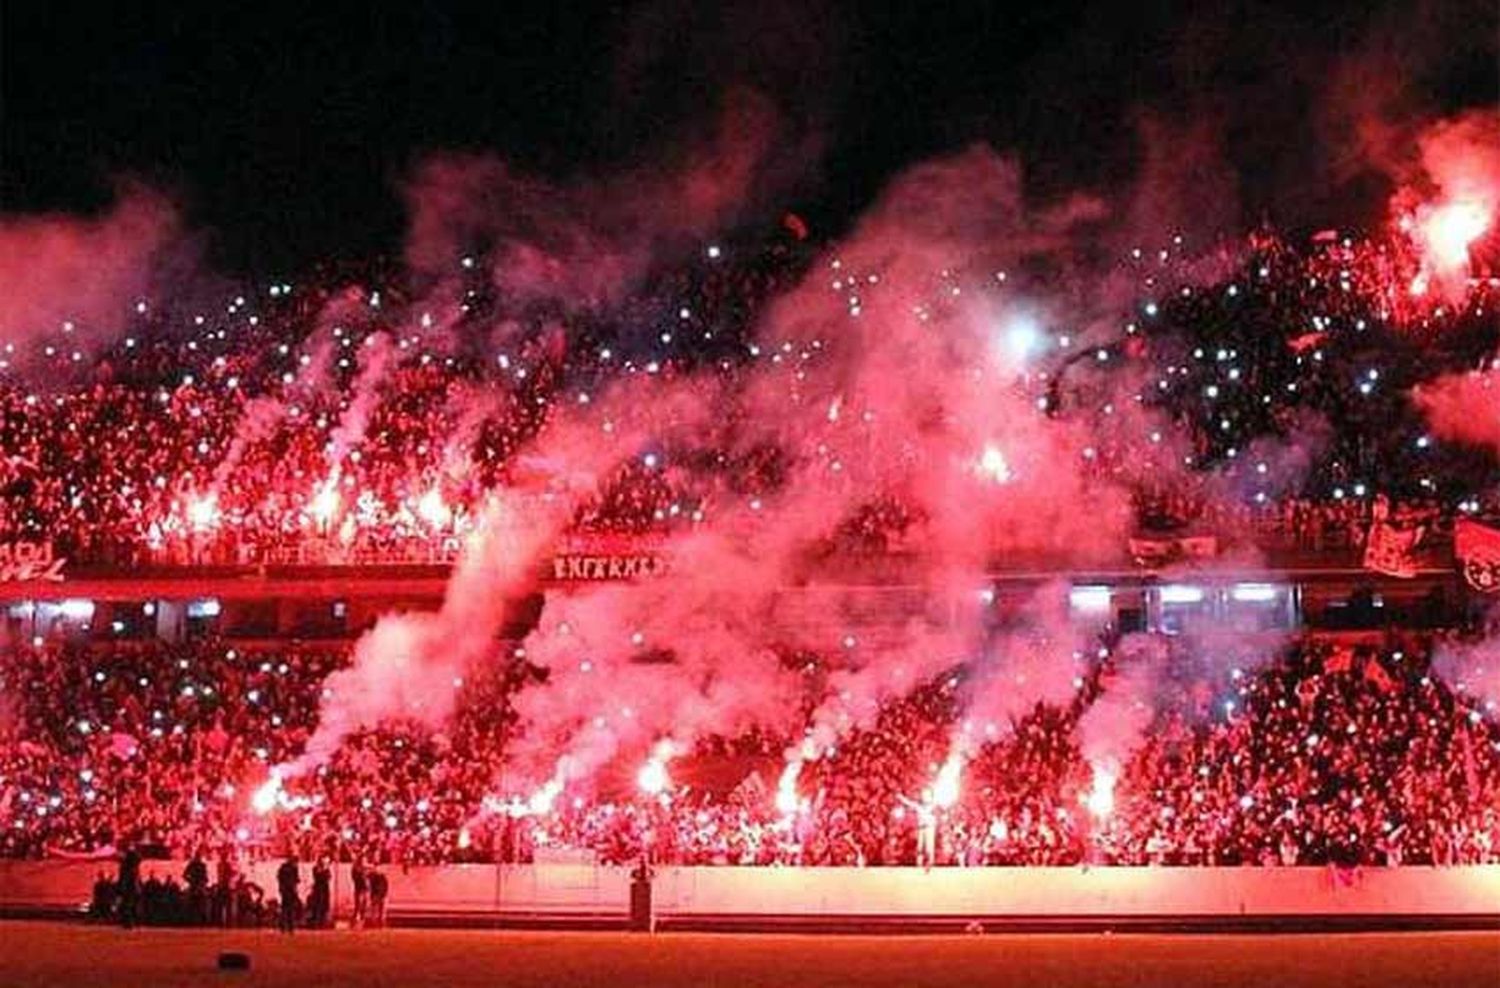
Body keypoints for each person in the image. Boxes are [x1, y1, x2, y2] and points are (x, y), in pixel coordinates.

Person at [116, 845, 141, 929]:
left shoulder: (127, 867)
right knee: (129, 905)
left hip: (128, 888)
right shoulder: (132, 867)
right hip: (130, 887)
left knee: (127, 905)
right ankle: (129, 923)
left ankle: (128, 923)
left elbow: (124, 878)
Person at [276, 854, 300, 934]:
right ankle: (289, 927)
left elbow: (279, 877)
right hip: (289, 891)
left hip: (285, 891)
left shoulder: (284, 867)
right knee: (289, 910)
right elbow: (295, 880)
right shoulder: (292, 868)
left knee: (285, 909)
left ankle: (283, 927)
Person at [308, 857, 332, 929]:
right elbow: (318, 877)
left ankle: (323, 922)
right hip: (318, 890)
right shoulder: (316, 869)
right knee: (317, 905)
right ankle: (316, 922)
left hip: (325, 889)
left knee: (324, 905)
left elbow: (328, 877)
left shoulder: (326, 870)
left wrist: (325, 870)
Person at [351, 857, 368, 929]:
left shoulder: (362, 870)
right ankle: (356, 921)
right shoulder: (357, 870)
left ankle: (360, 920)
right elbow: (356, 877)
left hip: (363, 889)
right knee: (359, 905)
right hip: (359, 889)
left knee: (362, 906)